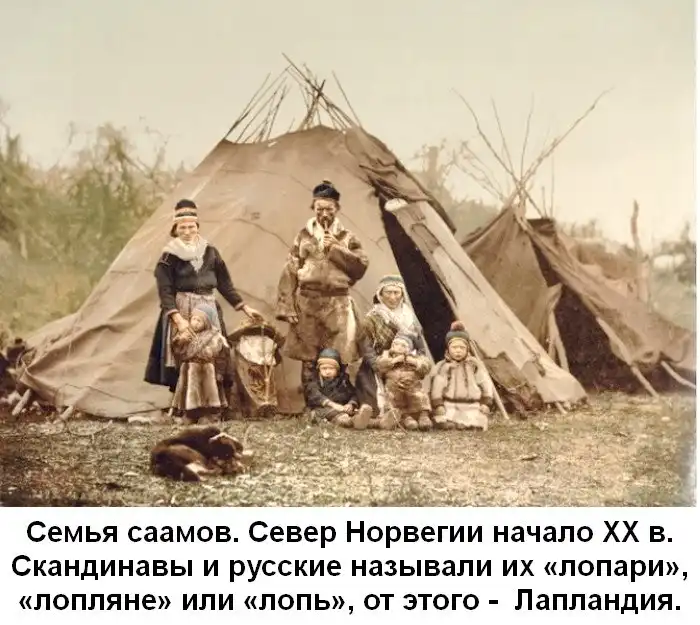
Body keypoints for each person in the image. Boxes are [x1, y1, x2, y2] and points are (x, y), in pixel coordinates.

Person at [144, 199, 263, 400]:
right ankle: (184, 404)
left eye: (191, 227)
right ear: (175, 229)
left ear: (197, 227)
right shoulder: (168, 257)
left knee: (213, 352)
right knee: (185, 353)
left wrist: (244, 308)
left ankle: (213, 402)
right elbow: (165, 292)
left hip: (208, 308)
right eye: (182, 228)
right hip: (182, 308)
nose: (187, 232)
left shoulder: (211, 252)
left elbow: (224, 284)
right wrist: (178, 320)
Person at [275, 180, 369, 383]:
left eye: (329, 209)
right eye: (319, 209)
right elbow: (290, 269)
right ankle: (313, 399)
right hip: (308, 303)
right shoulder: (303, 236)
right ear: (313, 208)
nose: (324, 214)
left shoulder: (347, 237)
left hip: (338, 304)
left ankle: (337, 397)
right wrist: (287, 306)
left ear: (337, 209)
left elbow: (360, 267)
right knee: (309, 357)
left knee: (339, 356)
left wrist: (337, 248)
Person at [355, 275, 449, 427]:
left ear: (402, 294)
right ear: (380, 294)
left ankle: (411, 416)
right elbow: (366, 349)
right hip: (378, 368)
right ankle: (380, 419)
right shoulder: (371, 319)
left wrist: (416, 363)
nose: (392, 297)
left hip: (406, 366)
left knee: (415, 394)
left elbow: (420, 350)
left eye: (396, 293)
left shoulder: (410, 319)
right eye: (388, 292)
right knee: (376, 404)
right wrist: (383, 364)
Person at [170, 304, 230, 423]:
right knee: (189, 393)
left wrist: (220, 372)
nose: (195, 323)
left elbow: (222, 356)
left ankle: (209, 415)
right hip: (189, 369)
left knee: (208, 394)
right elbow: (177, 352)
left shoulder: (215, 337)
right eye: (194, 319)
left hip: (207, 369)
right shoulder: (185, 334)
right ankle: (190, 415)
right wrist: (181, 341)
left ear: (206, 323)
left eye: (199, 321)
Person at [429, 321, 494, 431]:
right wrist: (438, 404)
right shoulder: (443, 367)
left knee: (478, 420)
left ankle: (467, 423)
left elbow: (485, 383)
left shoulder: (474, 365)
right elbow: (437, 387)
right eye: (454, 347)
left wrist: (486, 402)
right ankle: (450, 423)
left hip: (471, 405)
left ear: (467, 349)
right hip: (449, 404)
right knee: (443, 418)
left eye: (462, 348)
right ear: (448, 349)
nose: (458, 351)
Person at [228, 318, 286, 419]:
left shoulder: (267, 342)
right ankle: (254, 410)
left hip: (265, 369)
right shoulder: (245, 345)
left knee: (267, 387)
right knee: (250, 386)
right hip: (249, 367)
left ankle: (268, 409)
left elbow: (277, 346)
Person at [303, 347, 373, 429]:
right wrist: (333, 405)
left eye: (331, 368)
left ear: (337, 369)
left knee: (355, 414)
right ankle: (352, 421)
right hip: (322, 410)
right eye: (324, 368)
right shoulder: (314, 381)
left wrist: (350, 404)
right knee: (340, 417)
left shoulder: (343, 380)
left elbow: (353, 393)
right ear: (319, 369)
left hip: (341, 408)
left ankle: (379, 422)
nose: (327, 371)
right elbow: (314, 395)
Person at [375, 333, 433, 431]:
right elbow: (379, 366)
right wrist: (393, 361)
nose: (399, 347)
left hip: (412, 386)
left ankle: (424, 416)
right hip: (395, 388)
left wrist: (415, 362)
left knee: (419, 396)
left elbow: (426, 366)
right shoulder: (386, 357)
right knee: (395, 400)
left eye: (403, 346)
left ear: (409, 349)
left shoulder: (414, 358)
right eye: (396, 344)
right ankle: (406, 418)